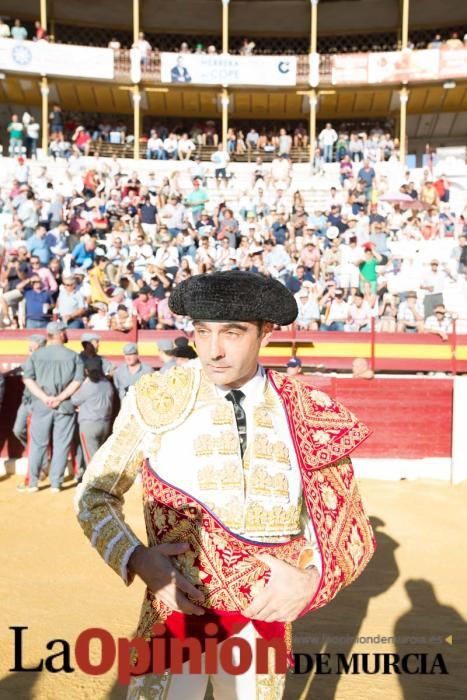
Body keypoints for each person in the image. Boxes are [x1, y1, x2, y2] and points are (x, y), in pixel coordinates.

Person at [75, 271, 375, 699]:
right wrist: (138, 558)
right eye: (202, 332)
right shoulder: (157, 397)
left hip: (263, 623)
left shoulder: (306, 410)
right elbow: (95, 495)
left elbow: (350, 530)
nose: (212, 351)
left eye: (232, 334)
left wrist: (312, 581)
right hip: (173, 614)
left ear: (265, 335)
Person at [22, 321, 84, 492]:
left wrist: (45, 397)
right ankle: (56, 483)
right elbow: (77, 381)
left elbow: (28, 379)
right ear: (61, 334)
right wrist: (59, 397)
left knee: (38, 444)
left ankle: (33, 482)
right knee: (61, 444)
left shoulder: (36, 355)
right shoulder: (73, 356)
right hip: (64, 405)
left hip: (41, 405)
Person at [71, 357, 115, 472]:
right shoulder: (107, 384)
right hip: (105, 424)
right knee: (100, 456)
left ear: (86, 371)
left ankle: (93, 484)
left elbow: (74, 400)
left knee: (91, 459)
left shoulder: (88, 385)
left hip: (89, 425)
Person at [13, 335, 47, 449]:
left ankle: (38, 454)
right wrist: (5, 374)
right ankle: (32, 450)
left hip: (40, 401)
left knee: (41, 433)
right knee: (18, 429)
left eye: (31, 343)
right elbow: (20, 368)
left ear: (36, 345)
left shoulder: (46, 359)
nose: (28, 345)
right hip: (27, 400)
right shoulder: (31, 358)